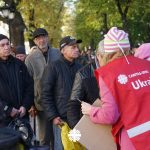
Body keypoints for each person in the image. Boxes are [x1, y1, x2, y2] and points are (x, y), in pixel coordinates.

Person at [81, 27, 150, 150]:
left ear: (108, 51)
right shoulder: (146, 65)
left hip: (134, 140)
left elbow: (110, 115)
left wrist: (91, 110)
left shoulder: (108, 74)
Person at [41, 36, 82, 150]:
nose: (77, 49)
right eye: (73, 47)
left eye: (77, 47)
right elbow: (45, 94)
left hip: (78, 118)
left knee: (77, 147)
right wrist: (53, 116)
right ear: (63, 50)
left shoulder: (80, 66)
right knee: (62, 147)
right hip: (61, 120)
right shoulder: (53, 67)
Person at [25, 28, 61, 148]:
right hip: (41, 104)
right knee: (44, 137)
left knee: (60, 135)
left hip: (59, 101)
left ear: (47, 37)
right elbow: (28, 83)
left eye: (43, 36)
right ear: (35, 41)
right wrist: (31, 105)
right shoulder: (30, 59)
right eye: (38, 38)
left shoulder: (58, 53)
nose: (41, 40)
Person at [0, 34, 34, 127]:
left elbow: (29, 86)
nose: (6, 47)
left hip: (22, 115)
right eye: (2, 45)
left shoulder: (19, 64)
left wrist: (25, 106)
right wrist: (8, 109)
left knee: (25, 141)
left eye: (7, 44)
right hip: (2, 119)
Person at [67, 60, 100, 129]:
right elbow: (73, 104)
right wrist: (78, 130)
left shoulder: (122, 69)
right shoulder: (83, 73)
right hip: (93, 126)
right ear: (99, 56)